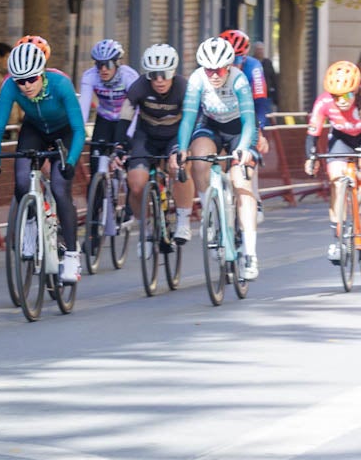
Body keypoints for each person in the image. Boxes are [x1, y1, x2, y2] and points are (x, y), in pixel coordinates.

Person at [0, 40, 86, 284]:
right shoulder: (11, 86)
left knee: (60, 187)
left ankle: (72, 255)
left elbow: (80, 129)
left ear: (41, 73)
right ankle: (31, 225)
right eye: (21, 81)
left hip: (64, 131)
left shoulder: (61, 84)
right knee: (21, 181)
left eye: (32, 79)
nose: (27, 85)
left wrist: (71, 160)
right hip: (35, 129)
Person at [178, 36, 260, 279]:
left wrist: (244, 148)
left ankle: (250, 253)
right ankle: (210, 213)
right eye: (209, 69)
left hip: (239, 129)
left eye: (220, 69)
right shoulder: (197, 79)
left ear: (230, 65)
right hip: (211, 125)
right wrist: (182, 148)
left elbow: (248, 120)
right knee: (199, 159)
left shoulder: (239, 79)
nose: (214, 74)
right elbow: (188, 117)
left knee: (241, 183)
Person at [120, 44, 193, 250]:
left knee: (179, 168)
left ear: (173, 73)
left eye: (164, 74)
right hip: (146, 137)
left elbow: (192, 119)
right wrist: (119, 145)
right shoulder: (139, 87)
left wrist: (184, 148)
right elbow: (125, 117)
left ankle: (183, 220)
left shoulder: (183, 87)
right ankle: (146, 229)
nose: (159, 80)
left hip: (175, 136)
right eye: (154, 75)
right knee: (135, 184)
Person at [305, 61, 361, 262]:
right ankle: (338, 239)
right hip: (341, 138)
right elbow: (313, 133)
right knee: (336, 181)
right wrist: (311, 157)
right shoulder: (323, 102)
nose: (342, 100)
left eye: (347, 94)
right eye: (337, 96)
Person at [78, 39, 140, 173]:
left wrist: (129, 136)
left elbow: (137, 109)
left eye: (108, 64)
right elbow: (83, 107)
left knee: (128, 164)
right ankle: (99, 187)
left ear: (117, 63)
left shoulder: (129, 77)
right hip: (104, 118)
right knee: (95, 165)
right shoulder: (90, 76)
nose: (104, 69)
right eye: (99, 65)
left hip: (126, 121)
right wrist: (79, 132)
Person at [254, 41, 280, 111]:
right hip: (255, 94)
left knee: (268, 113)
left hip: (267, 94)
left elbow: (273, 78)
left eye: (261, 49)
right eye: (258, 49)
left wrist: (275, 94)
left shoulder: (267, 62)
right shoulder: (252, 63)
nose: (260, 51)